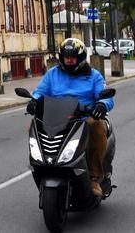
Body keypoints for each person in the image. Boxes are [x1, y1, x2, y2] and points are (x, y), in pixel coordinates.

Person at [26, 37, 114, 197]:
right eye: (67, 58)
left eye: (73, 58)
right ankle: (41, 165)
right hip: (58, 119)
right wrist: (33, 101)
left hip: (83, 119)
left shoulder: (94, 76)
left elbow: (105, 95)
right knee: (33, 125)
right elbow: (40, 92)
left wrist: (101, 104)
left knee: (96, 126)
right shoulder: (53, 74)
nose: (69, 61)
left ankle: (94, 177)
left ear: (80, 58)